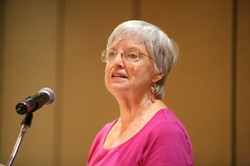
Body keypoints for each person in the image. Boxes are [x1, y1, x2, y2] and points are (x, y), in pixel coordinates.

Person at [88, 20, 194, 166]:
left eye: (132, 55)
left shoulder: (166, 132)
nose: (117, 62)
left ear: (158, 72)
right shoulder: (103, 134)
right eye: (112, 53)